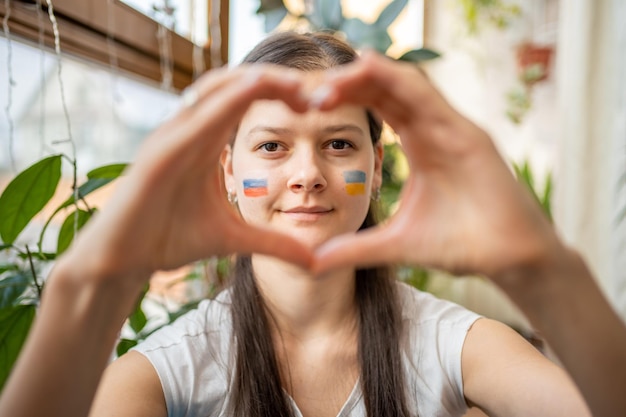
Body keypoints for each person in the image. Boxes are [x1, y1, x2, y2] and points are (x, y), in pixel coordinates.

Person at [0, 30, 622, 417]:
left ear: (377, 168)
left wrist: (543, 269)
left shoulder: (451, 343)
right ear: (226, 170)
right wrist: (97, 280)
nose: (307, 175)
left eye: (339, 145)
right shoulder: (169, 372)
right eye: (271, 147)